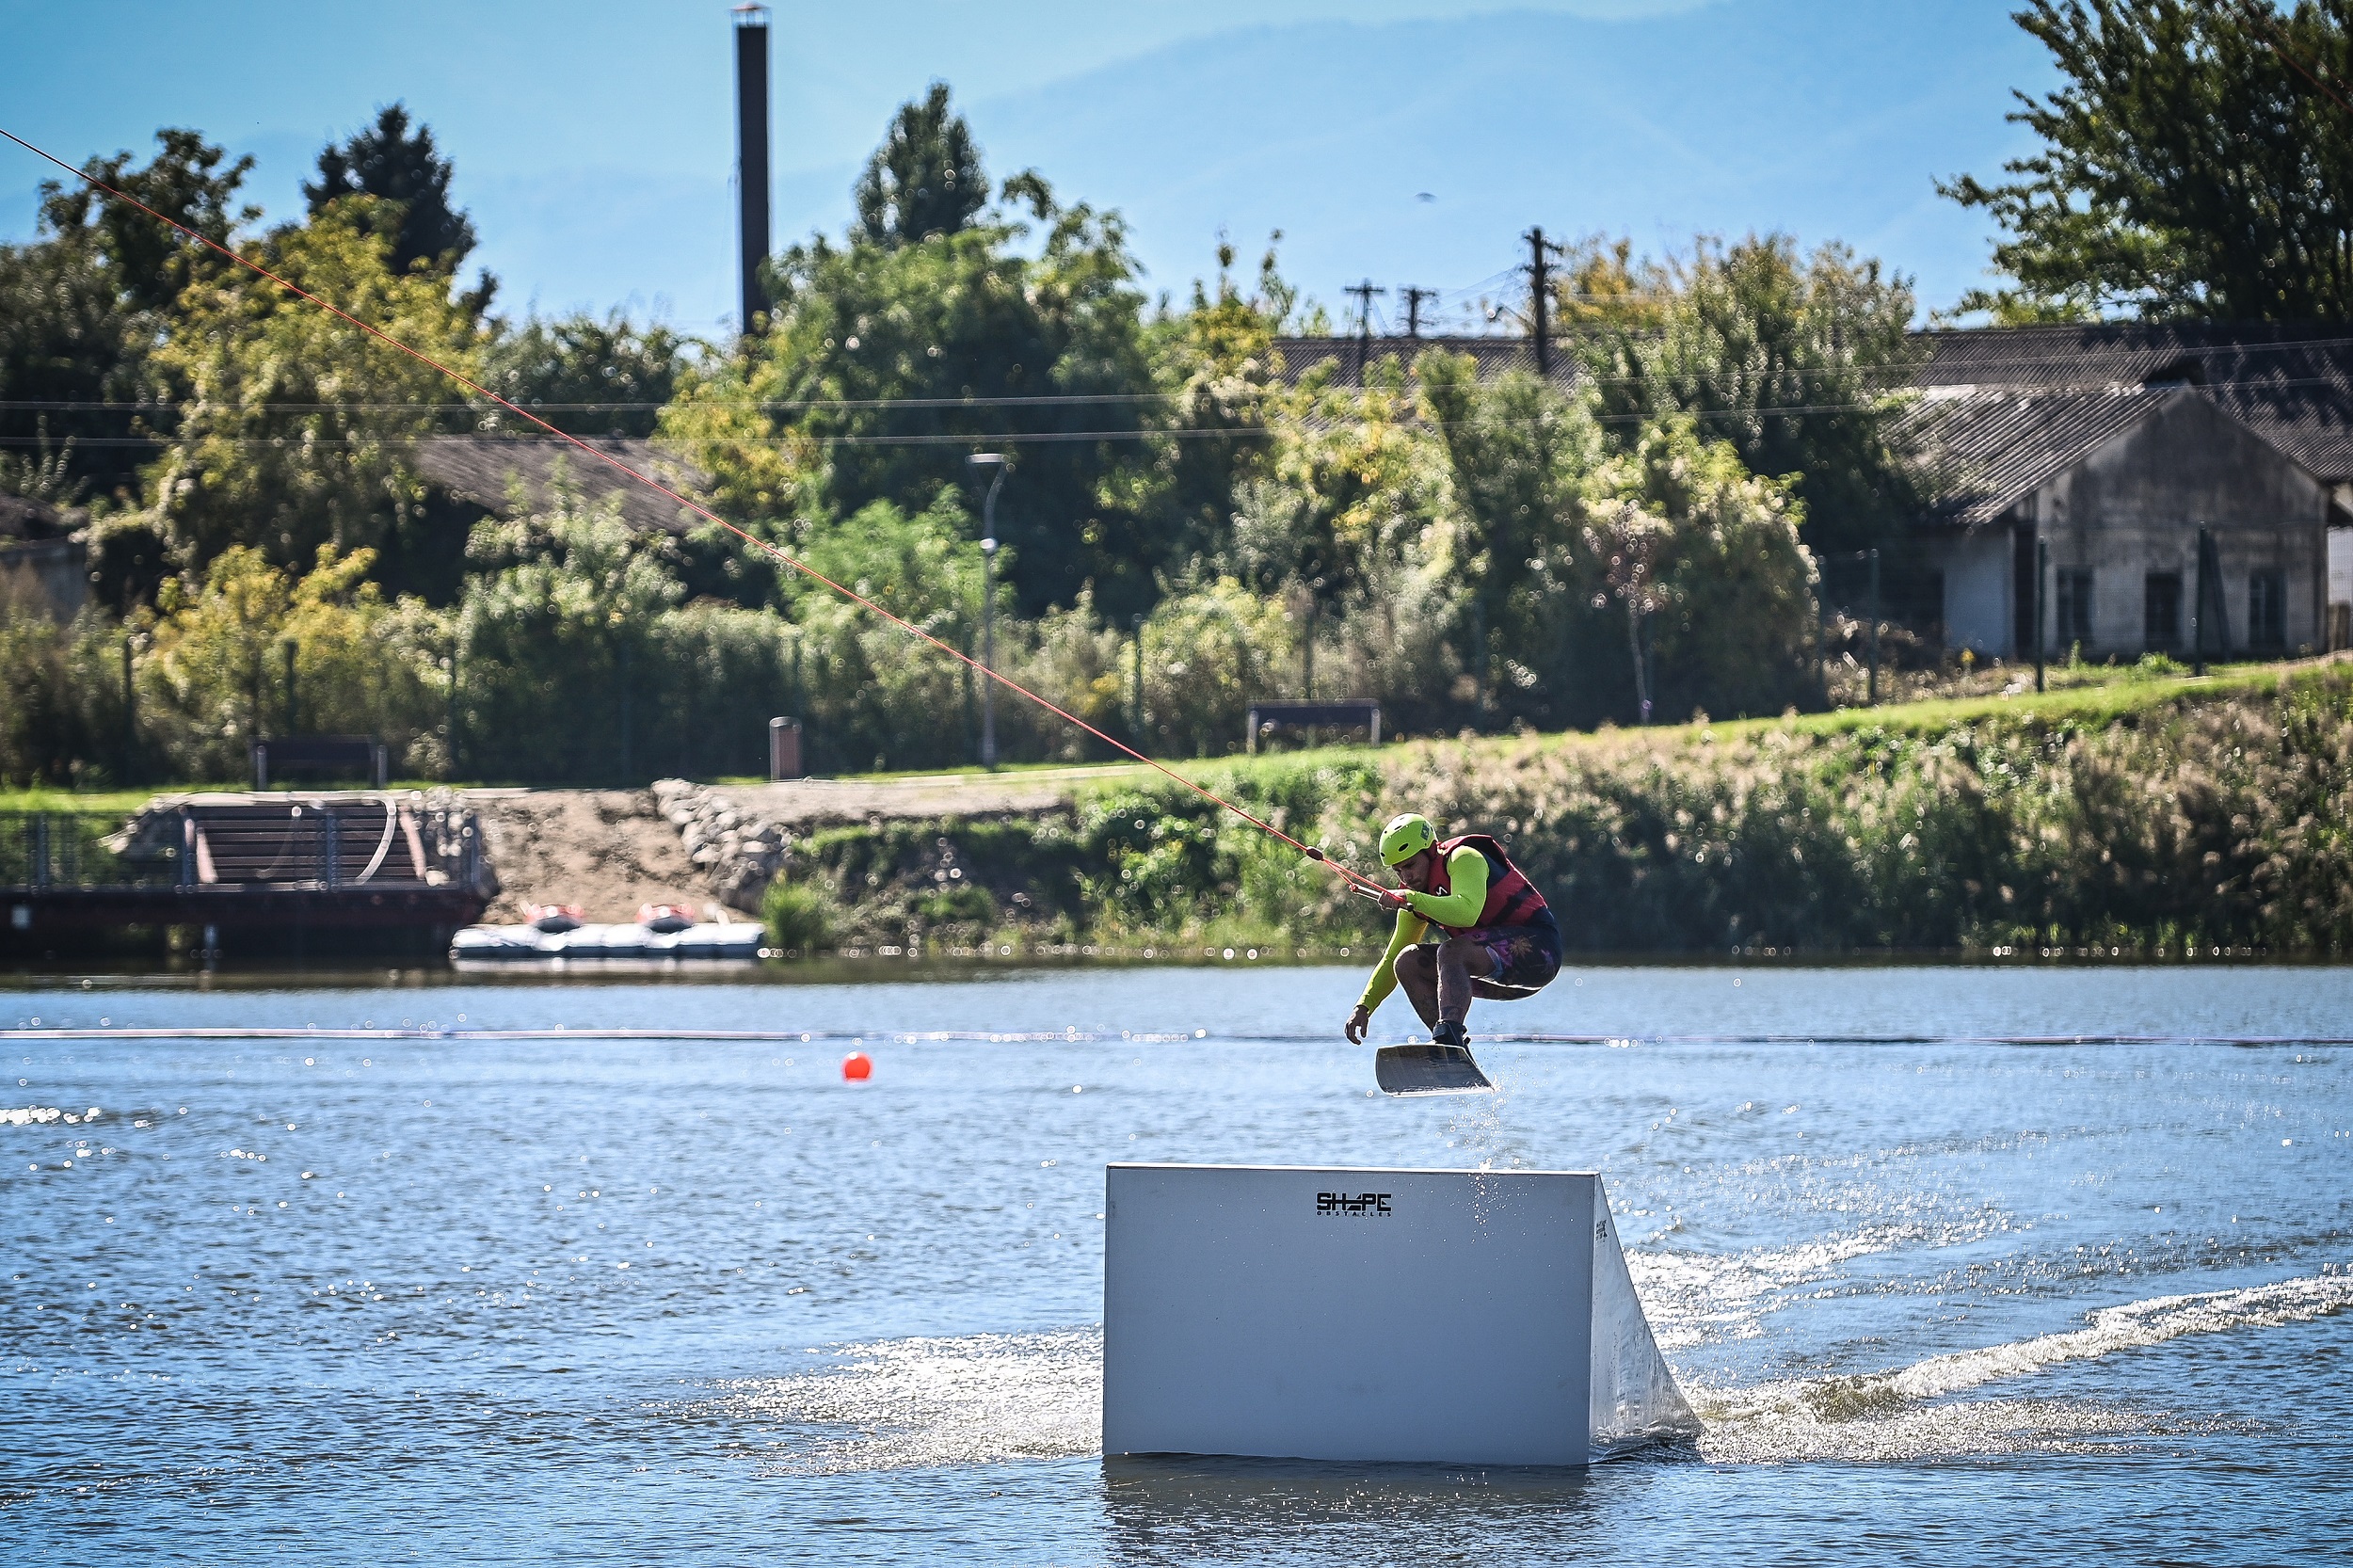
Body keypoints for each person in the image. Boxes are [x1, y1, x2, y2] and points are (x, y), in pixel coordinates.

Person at [1343, 812, 1561, 1052]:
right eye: (1398, 871)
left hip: (1539, 955)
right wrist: (1364, 1006)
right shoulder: (1413, 900)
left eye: (1410, 865)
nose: (1406, 877)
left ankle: (1449, 1036)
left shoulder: (1464, 858)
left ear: (1430, 851)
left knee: (1450, 952)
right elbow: (1391, 957)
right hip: (1502, 982)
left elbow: (1467, 912)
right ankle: (1452, 1052)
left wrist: (1414, 899)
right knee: (1406, 961)